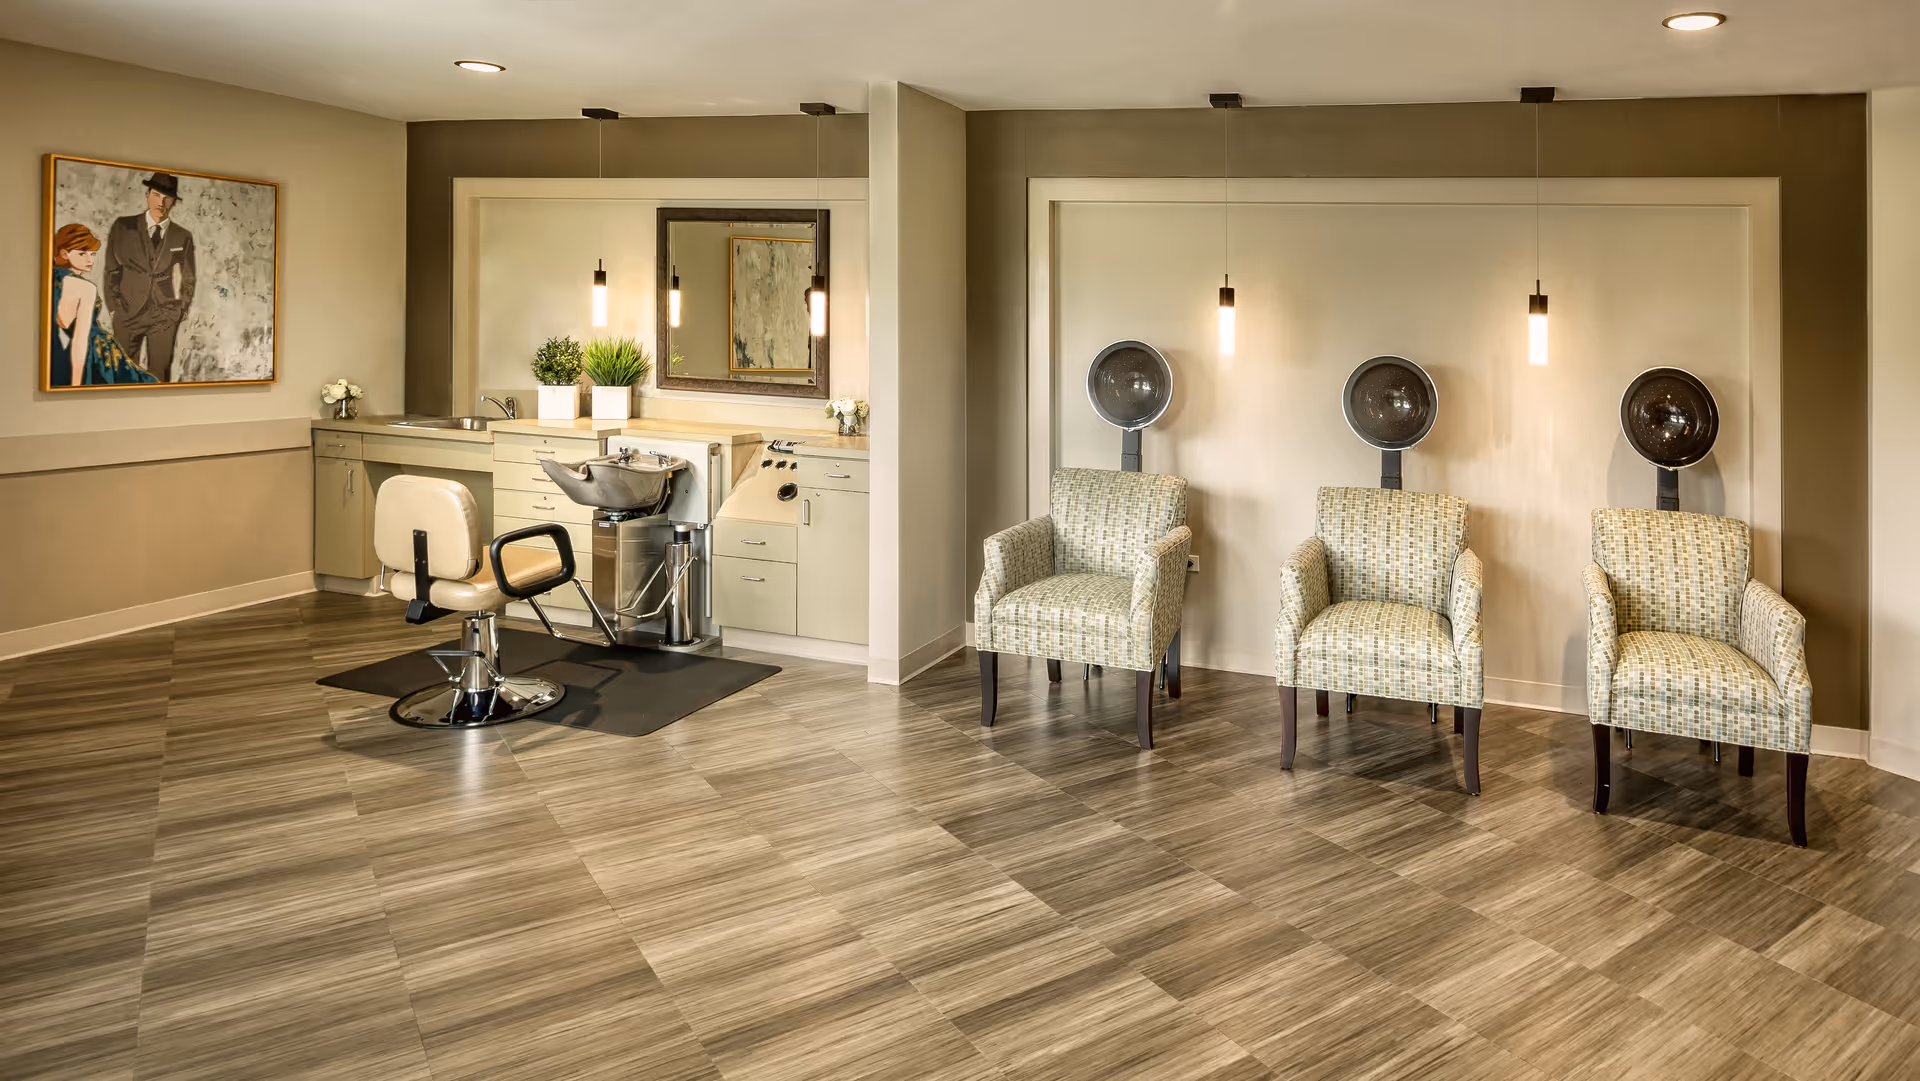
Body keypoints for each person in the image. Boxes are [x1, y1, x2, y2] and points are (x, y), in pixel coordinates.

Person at [105, 171, 195, 382]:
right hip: (127, 312)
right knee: (123, 376)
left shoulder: (182, 236)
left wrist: (180, 309)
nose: (161, 202)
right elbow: (111, 270)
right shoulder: (123, 227)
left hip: (164, 316)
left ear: (174, 202)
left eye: (167, 198)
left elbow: (188, 277)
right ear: (147, 195)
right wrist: (115, 308)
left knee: (159, 378)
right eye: (156, 195)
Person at [49, 223, 157, 387]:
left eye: (92, 254)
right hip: (98, 353)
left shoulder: (48, 280)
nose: (90, 259)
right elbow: (80, 340)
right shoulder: (85, 287)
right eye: (82, 253)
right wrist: (76, 385)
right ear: (64, 253)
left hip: (64, 353)